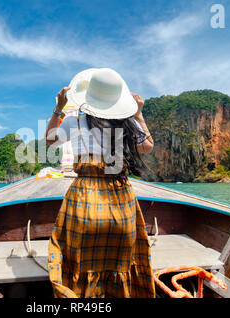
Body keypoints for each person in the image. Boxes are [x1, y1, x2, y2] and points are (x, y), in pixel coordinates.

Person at [45, 68, 156, 298]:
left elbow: (48, 140)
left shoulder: (73, 123)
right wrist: (138, 115)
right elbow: (148, 147)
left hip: (84, 202)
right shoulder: (128, 124)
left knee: (78, 261)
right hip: (121, 202)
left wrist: (59, 108)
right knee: (121, 264)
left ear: (89, 98)